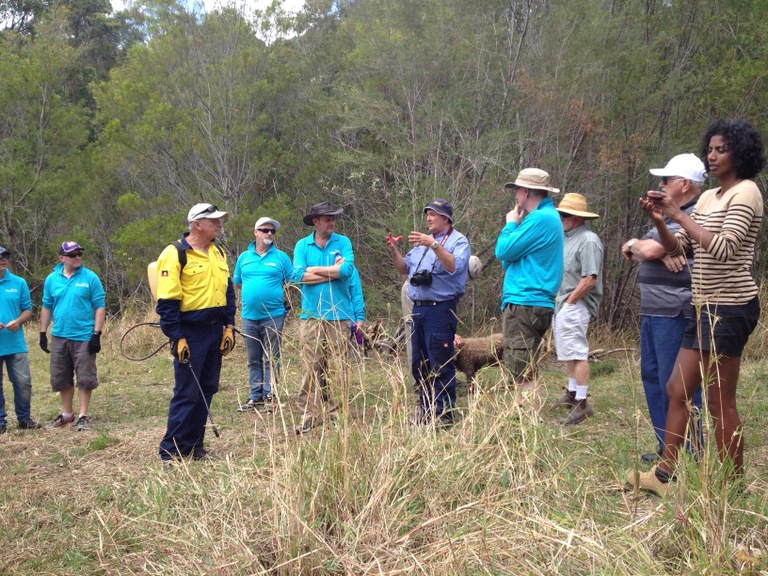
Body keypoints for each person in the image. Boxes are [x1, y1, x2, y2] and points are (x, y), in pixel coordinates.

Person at [626, 119, 764, 496]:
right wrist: (661, 221)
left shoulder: (747, 193)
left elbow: (723, 248)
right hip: (703, 307)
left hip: (731, 307)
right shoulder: (708, 198)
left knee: (720, 402)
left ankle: (733, 488)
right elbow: (678, 249)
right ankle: (666, 475)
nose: (713, 155)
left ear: (741, 153)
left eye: (722, 149)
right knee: (677, 389)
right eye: (711, 149)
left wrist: (676, 213)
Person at [621, 153, 705, 461]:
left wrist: (649, 248)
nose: (660, 185)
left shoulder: (695, 213)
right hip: (654, 310)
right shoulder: (667, 217)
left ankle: (693, 451)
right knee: (653, 376)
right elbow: (632, 248)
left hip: (676, 310)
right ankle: (666, 447)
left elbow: (652, 247)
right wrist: (637, 245)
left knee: (678, 383)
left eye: (666, 180)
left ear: (684, 184)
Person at [156, 203, 236, 462]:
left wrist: (229, 326)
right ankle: (171, 450)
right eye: (214, 220)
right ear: (197, 224)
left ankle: (195, 446)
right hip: (190, 333)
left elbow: (228, 292)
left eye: (219, 220)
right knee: (188, 392)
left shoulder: (218, 252)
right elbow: (167, 303)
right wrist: (177, 337)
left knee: (208, 388)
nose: (219, 224)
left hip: (216, 330)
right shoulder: (175, 253)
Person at [387, 198, 470, 427]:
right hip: (419, 310)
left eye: (432, 214)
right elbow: (404, 268)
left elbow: (454, 266)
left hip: (441, 310)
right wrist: (394, 250)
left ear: (445, 218)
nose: (428, 218)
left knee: (440, 361)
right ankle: (425, 411)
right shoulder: (422, 244)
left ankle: (444, 415)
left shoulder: (458, 241)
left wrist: (433, 245)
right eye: (427, 214)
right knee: (420, 364)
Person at [494, 168, 564, 411]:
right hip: (533, 302)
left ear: (525, 192)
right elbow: (508, 260)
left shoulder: (539, 219)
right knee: (524, 363)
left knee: (520, 368)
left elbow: (502, 251)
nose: (515, 197)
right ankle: (523, 420)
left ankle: (524, 422)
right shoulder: (544, 218)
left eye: (516, 191)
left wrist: (510, 225)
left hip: (525, 302)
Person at [292, 201, 357, 434]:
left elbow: (347, 272)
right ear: (316, 221)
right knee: (312, 364)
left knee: (339, 366)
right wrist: (330, 271)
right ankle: (310, 414)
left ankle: (337, 413)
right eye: (327, 218)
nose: (332, 222)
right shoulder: (302, 245)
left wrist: (315, 270)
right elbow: (297, 275)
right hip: (310, 316)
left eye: (333, 218)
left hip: (339, 315)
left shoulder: (343, 242)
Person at [40, 241, 106, 432]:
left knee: (85, 377)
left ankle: (83, 415)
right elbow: (46, 306)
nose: (77, 257)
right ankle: (67, 413)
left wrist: (96, 334)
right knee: (61, 376)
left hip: (84, 335)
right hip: (60, 335)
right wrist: (43, 332)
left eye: (79, 254)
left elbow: (99, 306)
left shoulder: (90, 277)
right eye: (72, 254)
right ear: (62, 258)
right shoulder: (52, 279)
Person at [551, 193, 603, 425]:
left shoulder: (588, 240)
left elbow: (590, 278)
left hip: (576, 302)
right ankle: (572, 395)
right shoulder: (566, 238)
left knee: (577, 351)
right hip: (563, 302)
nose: (561, 218)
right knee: (568, 351)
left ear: (578, 217)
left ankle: (582, 403)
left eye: (566, 214)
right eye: (560, 214)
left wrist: (571, 301)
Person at [233, 216, 293, 413]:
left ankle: (271, 395)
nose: (269, 234)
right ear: (255, 232)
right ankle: (255, 396)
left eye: (272, 231)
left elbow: (291, 281)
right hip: (249, 316)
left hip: (274, 315)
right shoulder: (244, 257)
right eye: (265, 230)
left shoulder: (281, 257)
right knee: (253, 358)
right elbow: (238, 282)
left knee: (271, 357)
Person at [0, 245, 40, 433]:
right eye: (0, 256)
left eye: (5, 255)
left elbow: (27, 310)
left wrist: (18, 321)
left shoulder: (19, 283)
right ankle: (0, 422)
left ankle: (24, 419)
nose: (3, 259)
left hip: (15, 344)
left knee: (23, 383)